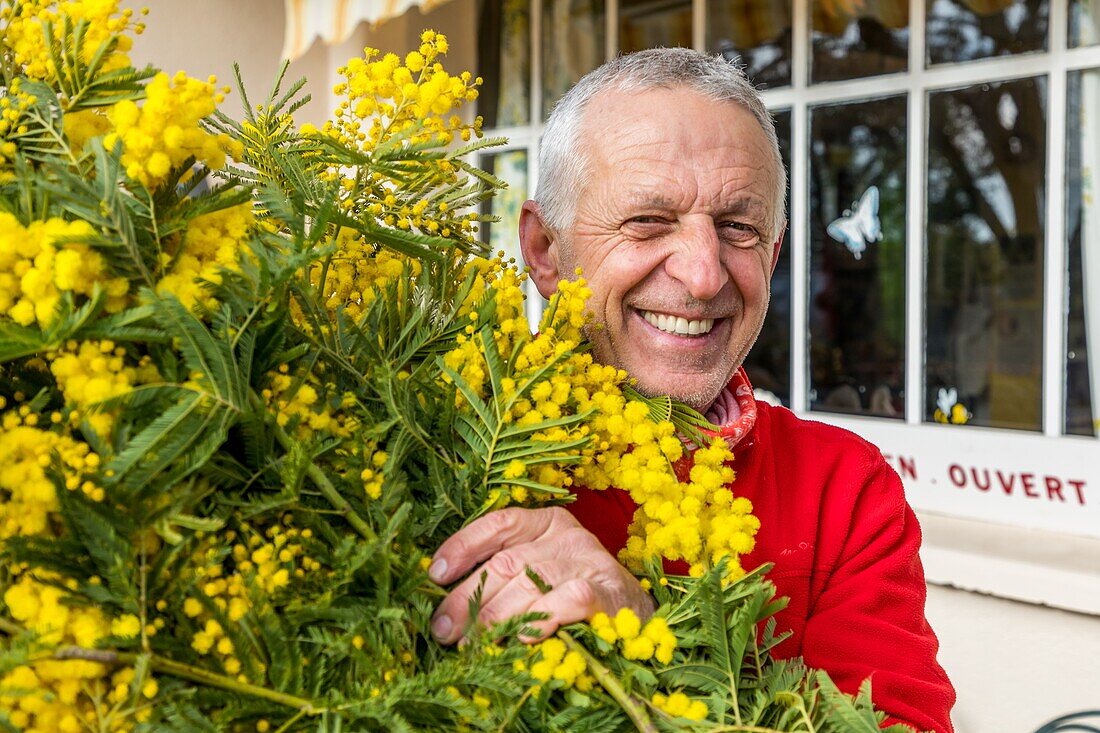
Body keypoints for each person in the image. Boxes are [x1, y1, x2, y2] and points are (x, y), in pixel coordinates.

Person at [427, 48, 956, 732]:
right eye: (648, 220)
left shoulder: (844, 492)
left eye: (738, 227)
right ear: (545, 250)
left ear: (773, 253)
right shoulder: (420, 442)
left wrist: (656, 650)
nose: (705, 274)